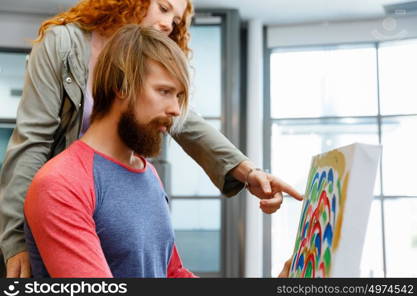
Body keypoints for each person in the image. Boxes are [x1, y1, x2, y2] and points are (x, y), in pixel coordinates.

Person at [0, 0, 303, 278]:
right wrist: (16, 241)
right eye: (163, 8)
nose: (169, 24)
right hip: (69, 199)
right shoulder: (63, 44)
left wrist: (248, 172)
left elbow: (188, 123)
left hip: (114, 179)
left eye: (177, 20)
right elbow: (33, 141)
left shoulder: (148, 176)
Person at [25, 25, 195, 277]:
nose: (175, 110)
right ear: (121, 86)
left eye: (178, 96)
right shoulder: (61, 183)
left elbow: (172, 273)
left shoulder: (148, 173)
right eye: (164, 92)